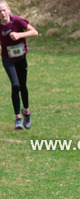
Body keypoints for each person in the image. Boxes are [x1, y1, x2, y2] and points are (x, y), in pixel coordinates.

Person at [0, 1, 38, 130]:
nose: (2, 13)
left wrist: (19, 35)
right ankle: (17, 118)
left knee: (23, 86)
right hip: (7, 59)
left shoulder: (17, 21)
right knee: (15, 85)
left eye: (3, 10)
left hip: (21, 58)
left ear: (9, 10)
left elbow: (35, 32)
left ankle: (26, 112)